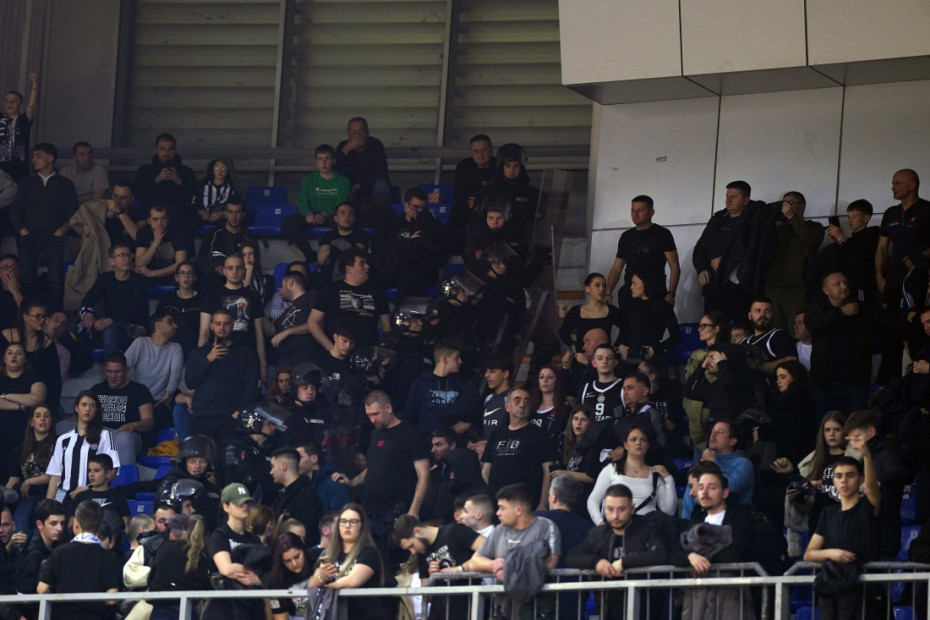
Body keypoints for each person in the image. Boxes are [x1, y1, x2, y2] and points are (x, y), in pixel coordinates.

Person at [332, 391, 430, 545]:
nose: (372, 419)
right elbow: (373, 468)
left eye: (376, 414)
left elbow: (424, 476)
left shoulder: (411, 434)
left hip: (398, 512)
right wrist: (352, 482)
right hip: (371, 512)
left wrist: (414, 510)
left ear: (388, 408)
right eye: (369, 415)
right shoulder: (375, 434)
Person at [566, 484, 669, 617]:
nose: (615, 515)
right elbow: (571, 557)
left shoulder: (648, 529)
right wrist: (596, 562)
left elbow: (660, 554)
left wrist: (624, 562)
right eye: (610, 509)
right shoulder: (598, 534)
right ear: (604, 508)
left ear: (632, 509)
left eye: (621, 509)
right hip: (608, 610)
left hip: (646, 610)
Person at [803, 447, 881, 619]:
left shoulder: (867, 508)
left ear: (860, 479)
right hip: (834, 590)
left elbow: (871, 486)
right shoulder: (828, 513)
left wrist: (866, 455)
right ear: (834, 481)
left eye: (850, 475)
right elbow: (809, 554)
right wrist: (832, 553)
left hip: (865, 590)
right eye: (839, 476)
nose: (844, 480)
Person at [465, 484, 561, 620]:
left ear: (518, 510)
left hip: (535, 608)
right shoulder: (499, 530)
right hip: (502, 609)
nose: (497, 513)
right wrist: (494, 565)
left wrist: (509, 567)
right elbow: (474, 562)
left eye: (502, 508)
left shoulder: (545, 526)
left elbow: (551, 562)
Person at [771, 411, 851, 556]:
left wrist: (823, 484)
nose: (831, 434)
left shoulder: (854, 458)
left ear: (844, 432)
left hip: (846, 523)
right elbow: (809, 505)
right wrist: (795, 494)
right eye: (827, 430)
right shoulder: (813, 461)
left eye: (837, 430)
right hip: (818, 525)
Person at [693, 180, 775, 321]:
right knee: (714, 326)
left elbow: (754, 252)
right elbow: (701, 247)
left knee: (740, 327)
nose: (728, 200)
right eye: (727, 196)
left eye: (734, 197)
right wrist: (701, 269)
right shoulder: (718, 219)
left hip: (740, 288)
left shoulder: (754, 221)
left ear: (746, 200)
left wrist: (726, 262)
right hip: (714, 285)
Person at [678, 470, 755, 618]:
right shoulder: (697, 518)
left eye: (712, 487)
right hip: (698, 597)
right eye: (701, 487)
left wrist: (703, 557)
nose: (705, 492)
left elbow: (740, 551)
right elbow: (676, 552)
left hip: (731, 595)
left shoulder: (740, 516)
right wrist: (690, 556)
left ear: (725, 493)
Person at [10, 143, 78, 311]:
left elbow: (73, 212)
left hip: (54, 238)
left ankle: (55, 313)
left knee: (55, 278)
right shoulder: (27, 183)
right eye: (33, 156)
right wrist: (22, 230)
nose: (34, 160)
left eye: (39, 156)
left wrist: (62, 230)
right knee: (26, 275)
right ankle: (27, 313)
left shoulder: (65, 184)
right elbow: (16, 210)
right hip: (29, 237)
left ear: (51, 158)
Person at [805, 271, 878, 416]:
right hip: (825, 383)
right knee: (825, 424)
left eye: (845, 283)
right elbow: (813, 324)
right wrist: (841, 313)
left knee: (856, 425)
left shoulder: (860, 308)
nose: (844, 287)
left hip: (855, 382)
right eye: (837, 284)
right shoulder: (817, 308)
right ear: (826, 290)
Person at [184, 308, 261, 442]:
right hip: (202, 416)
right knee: (200, 454)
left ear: (232, 325)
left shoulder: (245, 354)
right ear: (211, 326)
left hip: (230, 416)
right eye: (218, 324)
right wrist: (208, 359)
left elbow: (252, 387)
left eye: (226, 324)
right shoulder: (199, 353)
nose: (222, 328)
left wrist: (237, 413)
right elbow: (190, 382)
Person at [37, 500, 122, 619]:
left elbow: (42, 589)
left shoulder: (58, 552)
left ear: (76, 523)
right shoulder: (110, 558)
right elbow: (111, 599)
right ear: (98, 526)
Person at [844, 409, 910, 560]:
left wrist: (876, 482)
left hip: (884, 532)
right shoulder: (870, 454)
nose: (854, 444)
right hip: (870, 532)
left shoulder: (886, 450)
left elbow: (898, 471)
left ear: (871, 431)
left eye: (857, 437)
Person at [392, 513, 484, 620]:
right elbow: (427, 597)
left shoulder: (454, 531)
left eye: (411, 545)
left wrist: (460, 569)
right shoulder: (421, 553)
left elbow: (489, 549)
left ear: (418, 531)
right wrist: (432, 578)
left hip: (467, 608)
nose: (412, 551)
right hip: (439, 612)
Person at [482, 386, 559, 509]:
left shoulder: (540, 434)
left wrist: (543, 504)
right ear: (507, 406)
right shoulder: (496, 435)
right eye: (517, 400)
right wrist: (488, 501)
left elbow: (548, 472)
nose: (522, 405)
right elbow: (485, 471)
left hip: (526, 505)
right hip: (497, 505)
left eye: (526, 401)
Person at [308, 503, 387, 620]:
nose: (347, 526)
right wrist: (319, 577)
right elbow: (312, 585)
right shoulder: (327, 554)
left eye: (353, 522)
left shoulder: (369, 552)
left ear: (362, 526)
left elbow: (352, 582)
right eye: (343, 521)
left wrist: (325, 588)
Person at [587, 421, 675, 524]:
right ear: (625, 445)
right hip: (619, 527)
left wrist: (669, 479)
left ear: (648, 445)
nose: (638, 443)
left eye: (643, 440)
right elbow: (593, 500)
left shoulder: (655, 473)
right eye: (633, 439)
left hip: (648, 528)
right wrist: (600, 524)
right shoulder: (611, 469)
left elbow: (669, 511)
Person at [198, 254, 268, 381]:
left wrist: (263, 364)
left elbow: (259, 333)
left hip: (247, 355)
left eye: (238, 268)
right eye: (230, 268)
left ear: (245, 271)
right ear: (223, 271)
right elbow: (204, 332)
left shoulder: (253, 296)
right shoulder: (212, 295)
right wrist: (201, 361)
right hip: (220, 354)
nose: (234, 272)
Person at [308, 248, 391, 350]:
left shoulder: (377, 292)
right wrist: (331, 349)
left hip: (368, 352)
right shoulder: (330, 290)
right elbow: (313, 322)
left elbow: (386, 327)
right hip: (337, 351)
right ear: (349, 269)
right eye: (362, 263)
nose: (367, 266)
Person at [763, 191, 825, 328]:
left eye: (790, 203)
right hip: (772, 288)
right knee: (774, 331)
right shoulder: (777, 229)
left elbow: (810, 240)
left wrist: (792, 218)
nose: (785, 207)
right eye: (783, 203)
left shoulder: (814, 227)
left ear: (802, 206)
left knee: (797, 330)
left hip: (797, 290)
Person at [46, 391, 120, 502]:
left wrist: (87, 488)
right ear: (76, 408)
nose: (87, 409)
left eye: (92, 406)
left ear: (96, 410)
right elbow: (55, 475)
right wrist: (48, 504)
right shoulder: (63, 439)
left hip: (92, 494)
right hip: (64, 495)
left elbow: (113, 469)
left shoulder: (105, 436)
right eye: (84, 405)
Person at [606, 195, 680, 306]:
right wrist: (608, 292)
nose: (635, 214)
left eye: (640, 210)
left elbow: (674, 266)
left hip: (655, 293)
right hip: (630, 293)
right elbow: (616, 268)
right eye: (633, 210)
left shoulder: (662, 234)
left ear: (651, 212)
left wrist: (671, 293)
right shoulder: (626, 236)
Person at [371, 186, 444, 299]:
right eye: (416, 207)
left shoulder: (429, 224)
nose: (420, 210)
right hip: (396, 267)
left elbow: (436, 249)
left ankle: (405, 308)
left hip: (422, 269)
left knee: (408, 270)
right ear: (406, 205)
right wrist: (407, 228)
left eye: (423, 207)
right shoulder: (393, 224)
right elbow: (391, 249)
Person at [282, 144, 351, 262]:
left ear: (334, 161)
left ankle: (335, 257)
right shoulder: (308, 180)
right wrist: (308, 214)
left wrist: (324, 214)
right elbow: (302, 202)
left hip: (332, 215)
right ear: (316, 162)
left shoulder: (344, 181)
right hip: (312, 215)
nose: (323, 163)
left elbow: (341, 203)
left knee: (343, 223)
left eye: (327, 158)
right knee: (288, 222)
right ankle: (310, 254)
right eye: (320, 159)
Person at [79, 242, 149, 355]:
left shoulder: (139, 281)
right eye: (121, 255)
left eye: (128, 255)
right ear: (111, 261)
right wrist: (88, 313)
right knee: (85, 319)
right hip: (111, 323)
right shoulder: (105, 279)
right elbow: (89, 298)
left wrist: (110, 320)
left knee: (109, 332)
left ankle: (113, 366)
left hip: (132, 327)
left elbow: (132, 310)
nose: (127, 258)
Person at [207, 483, 264, 619]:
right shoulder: (220, 535)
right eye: (239, 503)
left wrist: (258, 578)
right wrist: (255, 574)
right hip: (224, 607)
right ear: (226, 507)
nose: (245, 506)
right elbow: (226, 569)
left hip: (250, 607)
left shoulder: (254, 539)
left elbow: (266, 571)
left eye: (247, 502)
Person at [405, 340, 481, 437]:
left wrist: (469, 425)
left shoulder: (460, 385)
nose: (460, 361)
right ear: (444, 359)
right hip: (424, 440)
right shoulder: (420, 383)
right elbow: (409, 415)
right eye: (457, 357)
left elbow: (477, 410)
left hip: (451, 442)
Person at [812, 198, 879, 306]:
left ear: (866, 218)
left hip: (863, 284)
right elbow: (842, 256)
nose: (850, 220)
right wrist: (835, 241)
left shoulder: (872, 235)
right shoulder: (852, 239)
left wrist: (840, 238)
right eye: (848, 217)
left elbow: (855, 258)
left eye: (854, 216)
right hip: (847, 283)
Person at [91, 352, 155, 465]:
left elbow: (149, 421)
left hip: (129, 435)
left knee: (123, 437)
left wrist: (133, 425)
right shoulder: (96, 390)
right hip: (103, 434)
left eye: (118, 372)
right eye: (109, 371)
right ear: (104, 370)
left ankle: (125, 475)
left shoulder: (139, 390)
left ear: (126, 370)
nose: (113, 376)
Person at [681, 421, 754, 519]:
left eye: (720, 432)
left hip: (733, 520)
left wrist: (713, 463)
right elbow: (690, 496)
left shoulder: (744, 463)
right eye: (712, 431)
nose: (713, 435)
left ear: (732, 441)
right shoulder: (705, 460)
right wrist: (687, 522)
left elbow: (732, 488)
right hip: (700, 520)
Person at [147, 513, 211, 620]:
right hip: (189, 609)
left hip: (162, 608)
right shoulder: (203, 555)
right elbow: (204, 584)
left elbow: (151, 579)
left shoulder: (165, 548)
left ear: (184, 531)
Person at [125, 311, 184, 427]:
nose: (175, 326)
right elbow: (122, 367)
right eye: (170, 322)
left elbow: (176, 375)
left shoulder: (175, 348)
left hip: (162, 401)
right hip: (139, 401)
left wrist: (168, 395)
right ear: (157, 325)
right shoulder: (140, 343)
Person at [1, 300, 62, 411]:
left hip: (35, 399)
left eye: (44, 316)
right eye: (38, 316)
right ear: (25, 317)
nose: (42, 320)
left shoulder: (47, 343)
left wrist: (50, 409)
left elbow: (54, 380)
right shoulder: (6, 336)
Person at [4, 405, 56, 533]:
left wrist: (28, 481)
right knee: (20, 528)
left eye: (46, 416)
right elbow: (13, 479)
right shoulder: (20, 448)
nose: (42, 419)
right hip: (26, 497)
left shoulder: (59, 444)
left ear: (51, 421)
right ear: (31, 422)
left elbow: (54, 474)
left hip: (48, 494)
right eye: (38, 416)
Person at [0, 342, 46, 480]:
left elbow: (36, 399)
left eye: (19, 353)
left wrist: (5, 396)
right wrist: (19, 406)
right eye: (10, 353)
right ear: (4, 358)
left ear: (25, 359)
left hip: (23, 437)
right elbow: (27, 401)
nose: (14, 356)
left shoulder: (34, 378)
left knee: (15, 479)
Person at [133, 133, 197, 225]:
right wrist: (156, 180)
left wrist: (179, 181)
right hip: (149, 218)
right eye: (162, 149)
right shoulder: (145, 171)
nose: (166, 153)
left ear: (175, 150)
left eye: (170, 149)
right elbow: (137, 193)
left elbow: (194, 196)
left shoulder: (186, 172)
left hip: (178, 219)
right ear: (156, 149)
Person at [67, 453, 130, 544]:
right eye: (89, 471)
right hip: (84, 543)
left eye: (96, 471)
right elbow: (71, 525)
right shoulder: (81, 496)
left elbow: (126, 527)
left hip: (111, 545)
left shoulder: (118, 497)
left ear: (108, 473)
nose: (91, 474)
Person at [269, 447, 323, 546]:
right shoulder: (281, 495)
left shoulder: (307, 497)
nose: (271, 472)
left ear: (283, 466)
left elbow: (310, 534)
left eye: (273, 467)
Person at [13, 499, 64, 601]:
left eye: (62, 523)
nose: (60, 528)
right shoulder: (33, 554)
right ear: (39, 524)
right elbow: (24, 594)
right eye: (53, 523)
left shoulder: (59, 546)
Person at [197, 197, 254, 288]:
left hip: (239, 282)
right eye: (230, 212)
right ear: (225, 213)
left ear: (243, 214)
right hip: (214, 282)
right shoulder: (212, 234)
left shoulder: (247, 236)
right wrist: (215, 269)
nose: (234, 217)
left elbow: (252, 263)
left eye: (238, 212)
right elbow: (201, 261)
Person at [334, 116, 391, 206]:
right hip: (349, 188)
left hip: (370, 187)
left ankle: (382, 212)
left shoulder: (375, 144)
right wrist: (345, 151)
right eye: (353, 132)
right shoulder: (343, 146)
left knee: (381, 184)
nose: (358, 135)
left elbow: (380, 171)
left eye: (361, 131)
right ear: (348, 134)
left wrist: (358, 185)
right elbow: (335, 172)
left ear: (367, 133)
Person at [559, 272, 623, 352]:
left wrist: (616, 347)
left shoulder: (611, 311)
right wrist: (573, 347)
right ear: (587, 289)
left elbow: (626, 329)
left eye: (604, 286)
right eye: (597, 285)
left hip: (603, 358)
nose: (601, 289)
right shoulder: (575, 311)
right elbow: (563, 332)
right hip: (582, 357)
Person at [739, 297, 798, 375]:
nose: (762, 314)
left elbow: (792, 361)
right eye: (757, 311)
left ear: (772, 314)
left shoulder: (779, 335)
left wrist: (761, 366)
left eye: (767, 311)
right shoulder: (743, 342)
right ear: (750, 316)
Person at [134, 204, 192, 284]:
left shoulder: (178, 231)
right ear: (149, 221)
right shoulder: (143, 232)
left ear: (168, 219)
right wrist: (155, 243)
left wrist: (152, 273)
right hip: (148, 272)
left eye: (163, 219)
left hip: (171, 274)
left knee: (183, 277)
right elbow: (139, 264)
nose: (160, 223)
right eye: (155, 219)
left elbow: (180, 264)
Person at [155, 261, 202, 356]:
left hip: (193, 346)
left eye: (190, 273)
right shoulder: (167, 298)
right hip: (169, 346)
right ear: (177, 277)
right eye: (182, 273)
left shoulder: (203, 299)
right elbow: (158, 321)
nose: (186, 276)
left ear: (195, 277)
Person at [269, 270, 314, 368]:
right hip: (284, 364)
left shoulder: (311, 296)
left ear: (290, 283)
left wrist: (288, 332)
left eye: (282, 286)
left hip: (305, 360)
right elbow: (271, 330)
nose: (280, 291)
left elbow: (316, 324)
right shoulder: (286, 311)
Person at [548, 404, 599, 491]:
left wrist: (566, 473)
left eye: (583, 420)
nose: (578, 423)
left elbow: (593, 477)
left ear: (591, 423)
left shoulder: (594, 446)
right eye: (575, 419)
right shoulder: (565, 443)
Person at [315, 202, 370, 282]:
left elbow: (356, 255)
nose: (347, 216)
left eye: (350, 213)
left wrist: (333, 250)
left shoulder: (360, 234)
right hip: (329, 275)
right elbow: (322, 257)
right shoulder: (329, 235)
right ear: (336, 218)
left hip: (352, 276)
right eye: (343, 213)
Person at [0, 72, 38, 181]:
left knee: (19, 188)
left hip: (19, 165)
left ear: (20, 105)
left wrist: (34, 85)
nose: (9, 104)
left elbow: (31, 106)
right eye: (7, 101)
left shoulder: (23, 120)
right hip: (1, 164)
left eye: (13, 101)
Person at [268, 531, 313, 620]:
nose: (294, 563)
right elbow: (281, 617)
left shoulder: (316, 564)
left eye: (297, 557)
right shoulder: (276, 581)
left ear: (303, 551)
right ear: (281, 562)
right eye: (288, 561)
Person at [296, 441, 351, 513]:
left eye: (299, 458)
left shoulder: (333, 483)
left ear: (314, 459)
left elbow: (341, 513)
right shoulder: (302, 486)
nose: (296, 462)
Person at [527, 364, 571, 453]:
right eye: (541, 377)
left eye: (550, 377)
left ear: (557, 381)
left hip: (552, 455)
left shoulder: (566, 408)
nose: (545, 380)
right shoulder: (529, 406)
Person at [578, 344, 624, 424]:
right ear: (593, 363)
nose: (604, 361)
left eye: (609, 358)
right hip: (590, 432)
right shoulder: (585, 389)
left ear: (615, 362)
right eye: (600, 358)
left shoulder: (624, 386)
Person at [191, 158, 239, 224]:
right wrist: (201, 212)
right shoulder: (202, 186)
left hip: (224, 222)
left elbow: (238, 207)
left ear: (228, 171)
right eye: (217, 167)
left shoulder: (232, 189)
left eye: (223, 168)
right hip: (201, 220)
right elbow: (193, 203)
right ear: (213, 170)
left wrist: (221, 213)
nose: (220, 171)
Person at [242, 239, 275, 308]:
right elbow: (244, 299)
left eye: (250, 254)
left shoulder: (265, 280)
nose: (247, 258)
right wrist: (248, 272)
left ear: (256, 256)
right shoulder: (236, 278)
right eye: (244, 255)